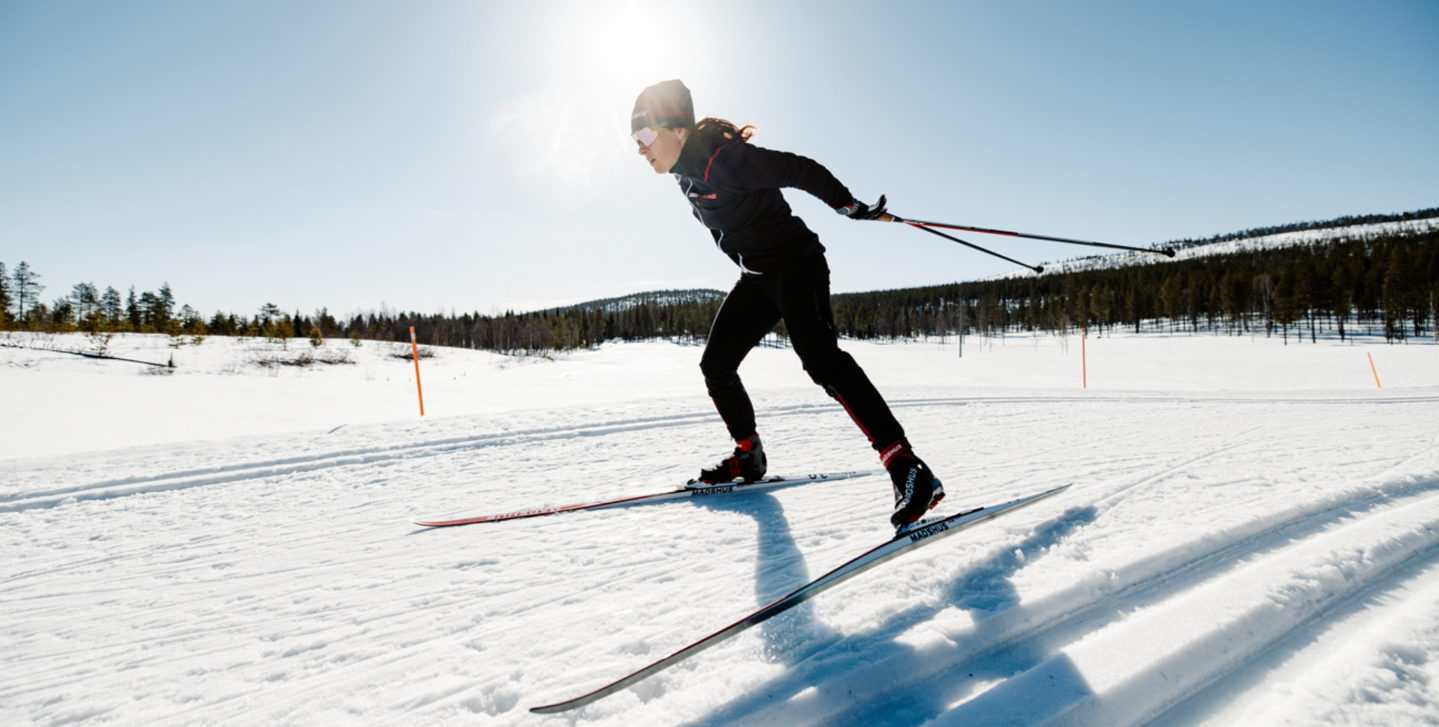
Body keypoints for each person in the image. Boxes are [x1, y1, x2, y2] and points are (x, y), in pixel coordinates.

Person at [631, 79, 944, 534]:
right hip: (758, 278)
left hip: (797, 266)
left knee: (820, 359)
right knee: (715, 364)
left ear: (678, 130)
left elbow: (800, 170)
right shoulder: (684, 172)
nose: (640, 149)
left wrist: (849, 205)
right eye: (634, 140)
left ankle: (909, 468)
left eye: (644, 136)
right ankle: (748, 456)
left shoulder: (726, 161)